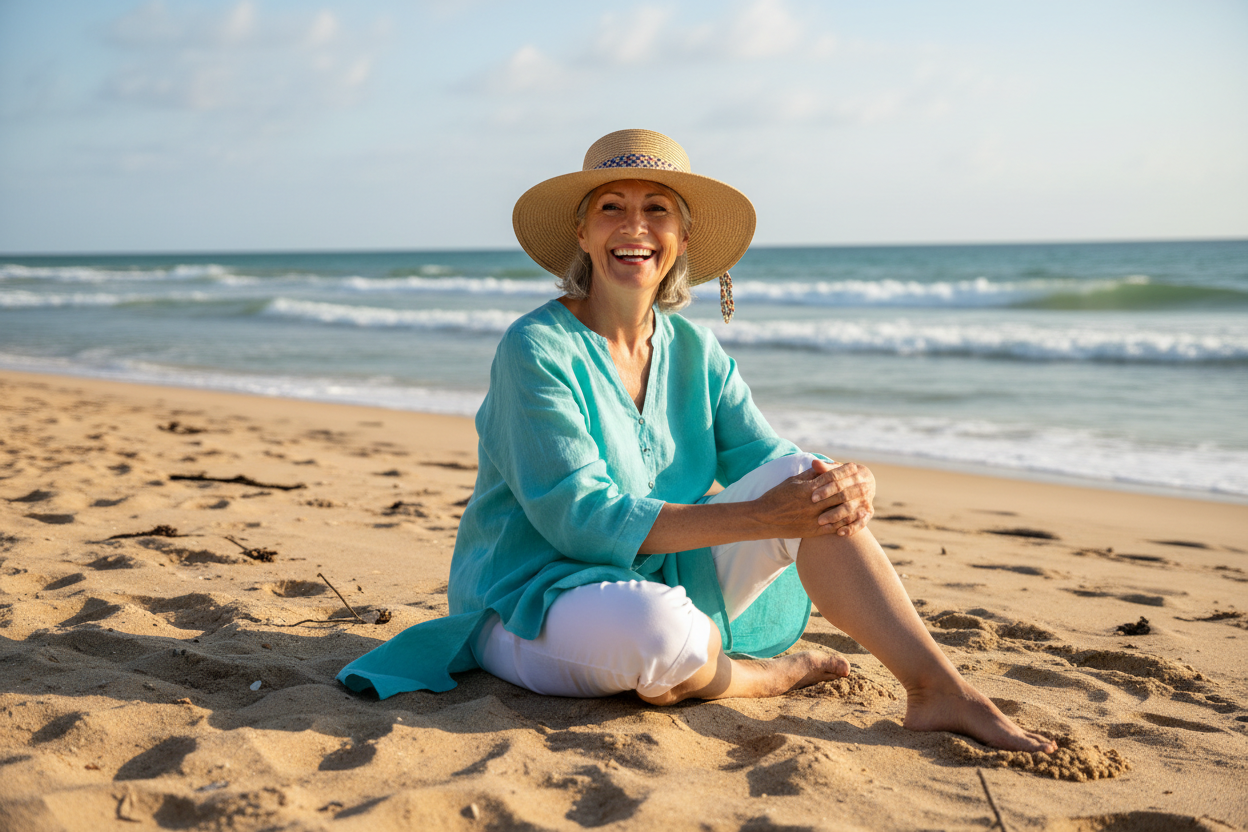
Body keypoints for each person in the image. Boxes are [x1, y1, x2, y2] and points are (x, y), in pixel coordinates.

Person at [338, 129, 1055, 753]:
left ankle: (938, 689)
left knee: (806, 480)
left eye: (657, 210)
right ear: (582, 235)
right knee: (659, 635)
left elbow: (772, 464)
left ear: (681, 238)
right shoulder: (536, 348)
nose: (635, 227)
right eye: (611, 207)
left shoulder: (692, 347)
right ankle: (753, 677)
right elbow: (579, 521)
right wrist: (762, 518)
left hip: (661, 577)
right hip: (532, 595)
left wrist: (839, 482)